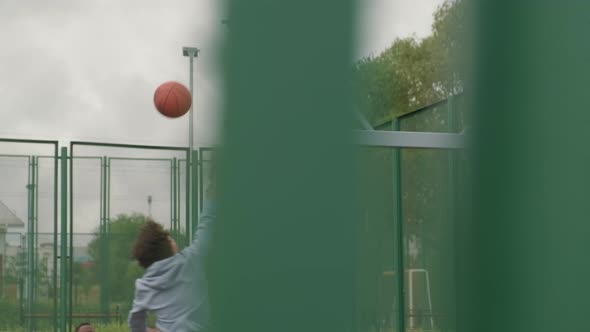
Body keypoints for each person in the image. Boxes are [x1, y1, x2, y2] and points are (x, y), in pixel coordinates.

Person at [128, 196, 216, 332]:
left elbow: (135, 319)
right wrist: (211, 199)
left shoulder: (144, 284)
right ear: (169, 246)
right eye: (170, 238)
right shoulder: (190, 260)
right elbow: (206, 227)